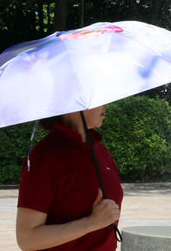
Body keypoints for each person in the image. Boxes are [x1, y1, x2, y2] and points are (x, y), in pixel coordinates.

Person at [16, 105, 123, 251]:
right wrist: (91, 223)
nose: (103, 105)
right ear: (73, 105)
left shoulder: (100, 150)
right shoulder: (44, 157)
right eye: (93, 99)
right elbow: (27, 239)